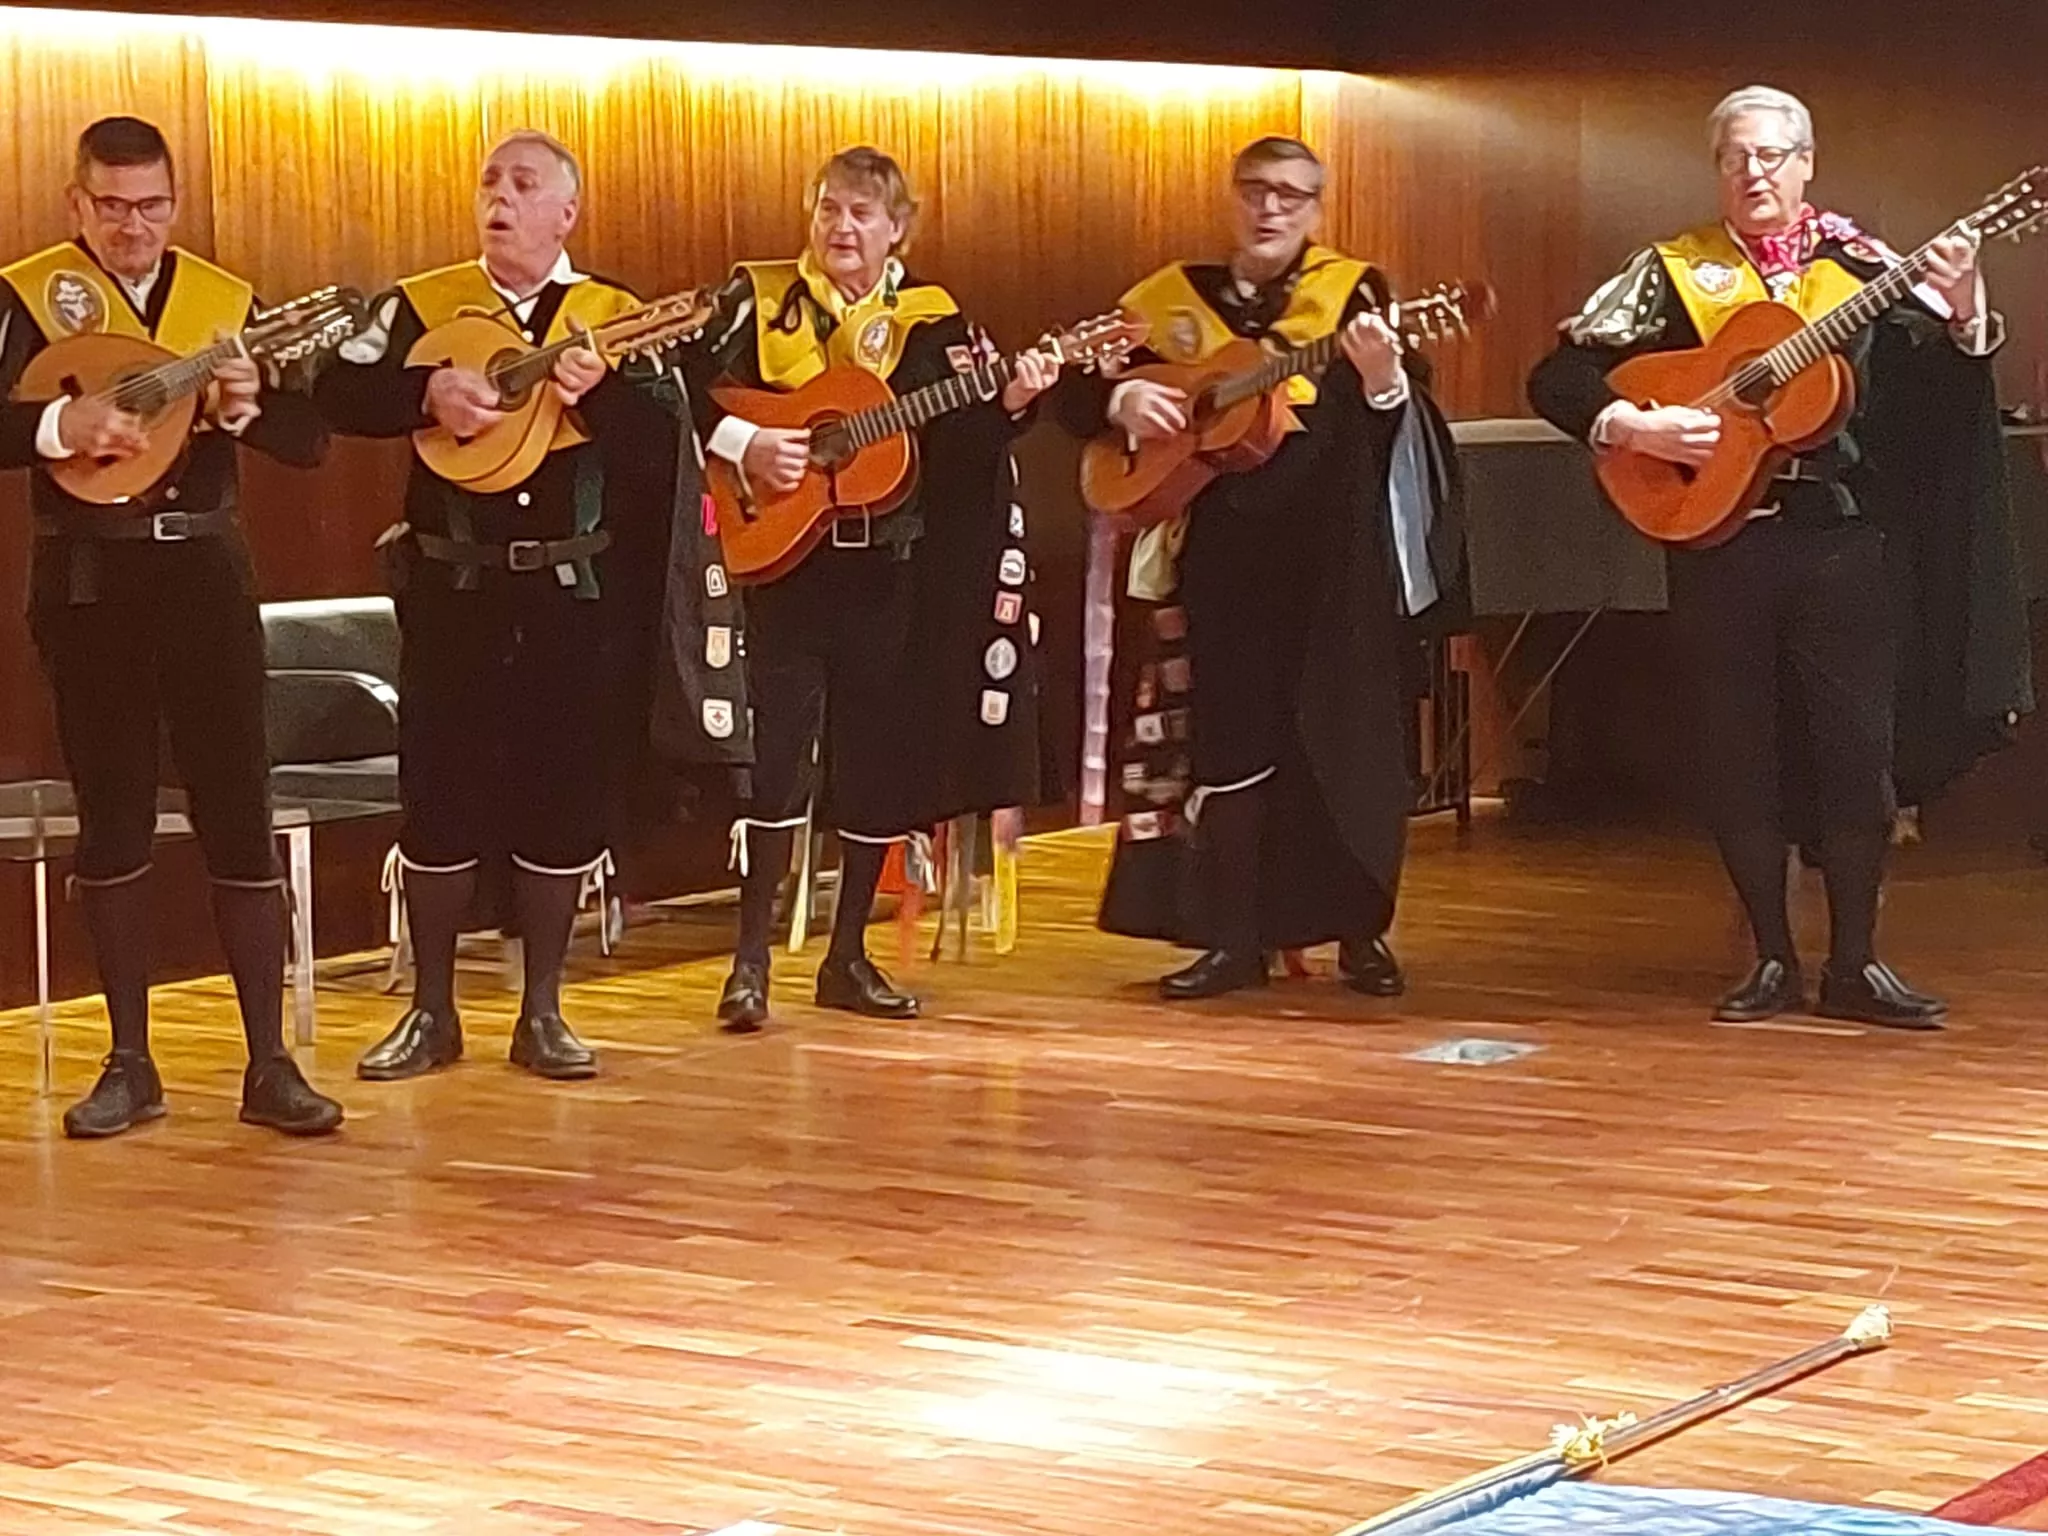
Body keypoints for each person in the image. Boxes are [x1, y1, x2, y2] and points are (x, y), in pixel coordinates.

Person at [1528, 85, 2029, 1028]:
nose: (1753, 173)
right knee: (1736, 750)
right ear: (1718, 169)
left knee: (1857, 756)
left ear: (1807, 165)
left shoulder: (1863, 269)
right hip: (1723, 546)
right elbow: (1559, 373)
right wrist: (1632, 426)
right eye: (1735, 158)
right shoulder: (1672, 271)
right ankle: (1767, 958)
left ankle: (1855, 964)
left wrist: (1965, 319)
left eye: (1771, 156)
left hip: (1842, 545)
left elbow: (1932, 408)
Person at [0, 116, 343, 1137]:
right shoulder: (24, 296)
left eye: (151, 207)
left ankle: (269, 1065)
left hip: (204, 569)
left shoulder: (223, 304)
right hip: (89, 579)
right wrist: (62, 426)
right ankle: (130, 1063)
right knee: (111, 813)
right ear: (78, 205)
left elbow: (312, 438)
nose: (133, 227)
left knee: (239, 806)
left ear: (175, 204)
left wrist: (246, 408)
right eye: (112, 207)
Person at [314, 130, 682, 1080]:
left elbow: (660, 450)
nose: (500, 198)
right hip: (452, 592)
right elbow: (333, 390)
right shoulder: (424, 305)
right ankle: (431, 1010)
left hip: (570, 599)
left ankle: (544, 1011)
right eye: (489, 182)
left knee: (560, 793)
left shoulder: (611, 318)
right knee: (438, 794)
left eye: (525, 185)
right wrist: (424, 391)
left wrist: (599, 397)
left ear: (567, 212)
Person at [1068, 136, 1461, 1001]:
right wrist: (1119, 396)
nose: (1270, 207)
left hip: (1331, 559)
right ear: (1233, 198)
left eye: (1290, 194)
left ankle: (1359, 933)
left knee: (1340, 743)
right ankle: (1233, 941)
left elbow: (1397, 417)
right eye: (1255, 190)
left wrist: (1385, 377)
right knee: (1230, 748)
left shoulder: (1353, 294)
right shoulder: (1172, 301)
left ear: (1317, 210)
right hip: (1222, 557)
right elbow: (1075, 390)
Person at [682, 146, 1059, 1032]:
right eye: (828, 211)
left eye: (860, 214)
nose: (840, 229)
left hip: (887, 570)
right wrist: (745, 444)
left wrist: (1013, 405)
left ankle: (848, 956)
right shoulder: (755, 301)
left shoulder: (933, 322)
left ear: (898, 228)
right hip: (782, 571)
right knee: (774, 767)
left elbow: (960, 450)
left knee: (876, 763)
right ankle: (749, 967)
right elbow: (681, 391)